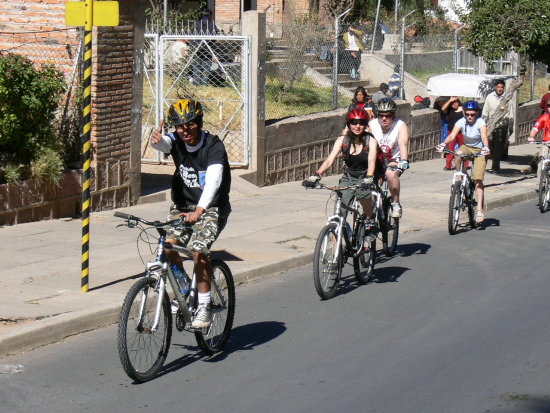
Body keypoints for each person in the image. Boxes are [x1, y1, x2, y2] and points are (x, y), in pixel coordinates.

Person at [150, 98, 231, 328]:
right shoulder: (176, 140)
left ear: (199, 122)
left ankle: (204, 306)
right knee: (169, 245)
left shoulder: (214, 146)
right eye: (179, 125)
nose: (185, 130)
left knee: (198, 249)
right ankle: (185, 288)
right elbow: (164, 144)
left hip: (212, 207)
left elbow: (214, 181)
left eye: (190, 124)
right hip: (183, 206)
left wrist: (200, 210)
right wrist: (154, 140)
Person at [303, 108, 378, 233]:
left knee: (363, 197)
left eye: (361, 123)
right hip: (349, 177)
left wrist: (369, 177)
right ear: (349, 124)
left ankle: (370, 218)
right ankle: (336, 250)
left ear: (365, 125)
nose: (357, 126)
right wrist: (317, 175)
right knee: (340, 212)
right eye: (354, 122)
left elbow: (371, 160)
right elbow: (329, 160)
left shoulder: (371, 141)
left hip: (365, 177)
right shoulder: (342, 140)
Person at [437, 100, 490, 224]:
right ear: (464, 114)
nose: (470, 117)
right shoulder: (461, 122)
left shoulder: (480, 122)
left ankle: (480, 210)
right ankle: (459, 178)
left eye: (472, 114)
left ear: (476, 114)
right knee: (458, 153)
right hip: (467, 146)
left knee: (478, 180)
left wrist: (486, 147)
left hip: (479, 149)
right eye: (467, 114)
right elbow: (452, 135)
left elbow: (484, 136)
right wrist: (443, 143)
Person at [369, 98, 410, 218]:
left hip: (394, 160)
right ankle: (371, 213)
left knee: (391, 174)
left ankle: (396, 203)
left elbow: (403, 144)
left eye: (387, 115)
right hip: (377, 160)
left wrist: (404, 160)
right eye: (381, 115)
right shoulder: (372, 125)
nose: (384, 118)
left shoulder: (401, 126)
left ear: (393, 115)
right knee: (369, 181)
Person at [481, 78, 514, 173]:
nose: (500, 89)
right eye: (498, 87)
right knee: (488, 146)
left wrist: (511, 126)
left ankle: (495, 166)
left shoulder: (507, 98)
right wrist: (483, 125)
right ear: (495, 87)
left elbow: (510, 113)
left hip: (501, 126)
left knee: (498, 147)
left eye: (502, 87)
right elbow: (485, 112)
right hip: (490, 126)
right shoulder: (489, 97)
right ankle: (483, 165)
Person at [192, 9, 217, 86]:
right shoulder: (212, 24)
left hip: (198, 47)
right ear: (210, 15)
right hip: (208, 47)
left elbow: (193, 34)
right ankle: (204, 83)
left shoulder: (197, 23)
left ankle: (196, 83)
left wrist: (195, 44)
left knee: (196, 65)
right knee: (207, 66)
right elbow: (215, 36)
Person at [528, 97, 550, 177]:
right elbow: (535, 128)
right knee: (542, 157)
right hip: (547, 143)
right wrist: (532, 136)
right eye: (549, 106)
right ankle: (541, 180)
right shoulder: (544, 117)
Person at [441, 97, 465, 171]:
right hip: (451, 132)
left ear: (458, 103)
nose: (454, 104)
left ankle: (465, 164)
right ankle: (448, 165)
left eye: (455, 102)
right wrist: (449, 101)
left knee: (463, 148)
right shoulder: (449, 110)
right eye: (452, 103)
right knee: (450, 149)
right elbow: (443, 109)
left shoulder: (462, 109)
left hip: (461, 132)